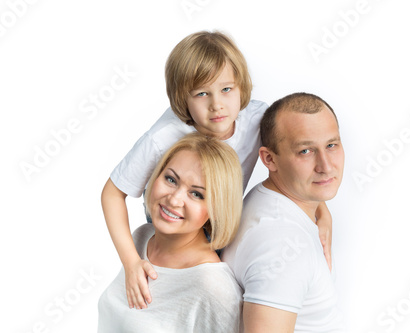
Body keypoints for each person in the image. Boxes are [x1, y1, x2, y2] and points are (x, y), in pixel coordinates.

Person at [101, 30, 333, 310]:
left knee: (218, 295)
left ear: (241, 87)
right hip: (173, 221)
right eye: (201, 94)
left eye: (226, 89)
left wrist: (321, 210)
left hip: (218, 219)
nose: (217, 105)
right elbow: (113, 193)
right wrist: (131, 262)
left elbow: (292, 157)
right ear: (182, 99)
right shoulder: (162, 137)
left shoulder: (257, 119)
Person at [222, 92, 346, 332]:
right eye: (305, 151)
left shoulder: (272, 199)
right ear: (269, 159)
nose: (327, 166)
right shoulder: (282, 244)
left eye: (331, 145)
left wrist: (322, 210)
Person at [98, 133, 244, 332]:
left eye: (196, 194)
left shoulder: (213, 287)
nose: (174, 200)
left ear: (217, 210)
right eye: (171, 179)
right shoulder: (142, 238)